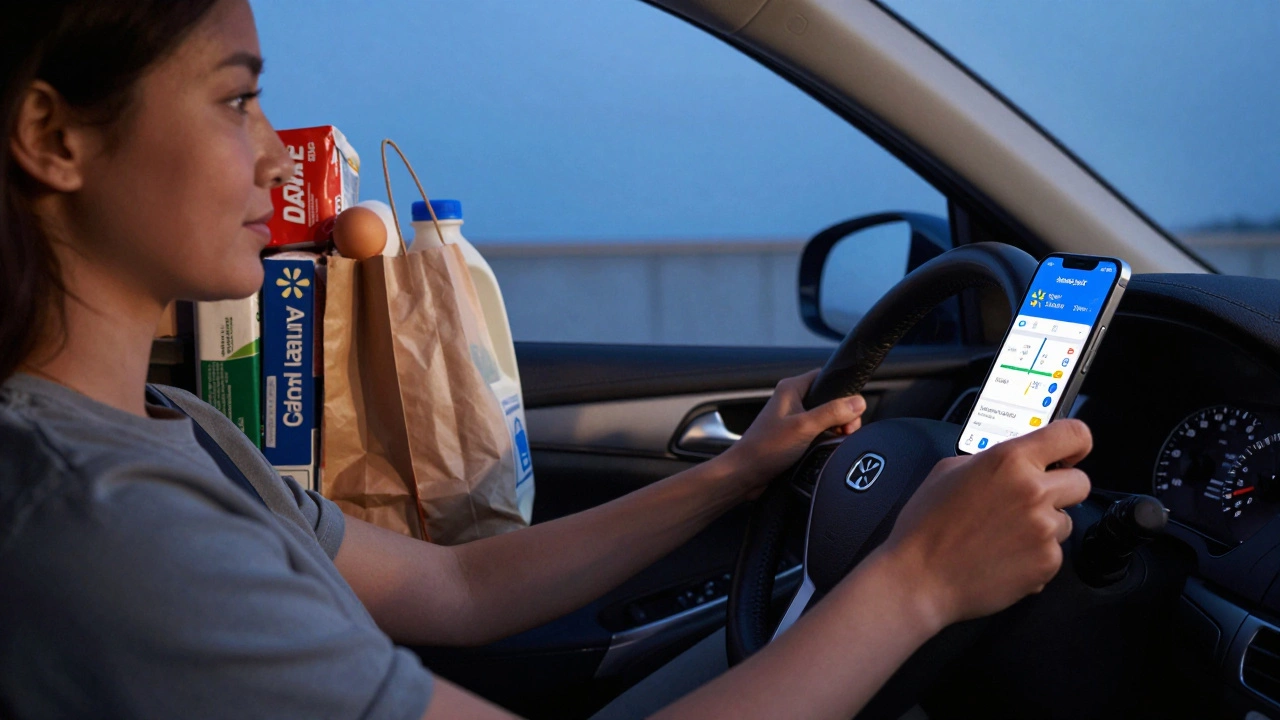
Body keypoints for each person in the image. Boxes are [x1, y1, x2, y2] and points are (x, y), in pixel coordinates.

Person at [0, 1, 1093, 718]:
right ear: (54, 137)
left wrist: (734, 472)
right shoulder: (97, 515)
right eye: (237, 98)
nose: (280, 151)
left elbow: (456, 587)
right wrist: (918, 580)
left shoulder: (166, 426)